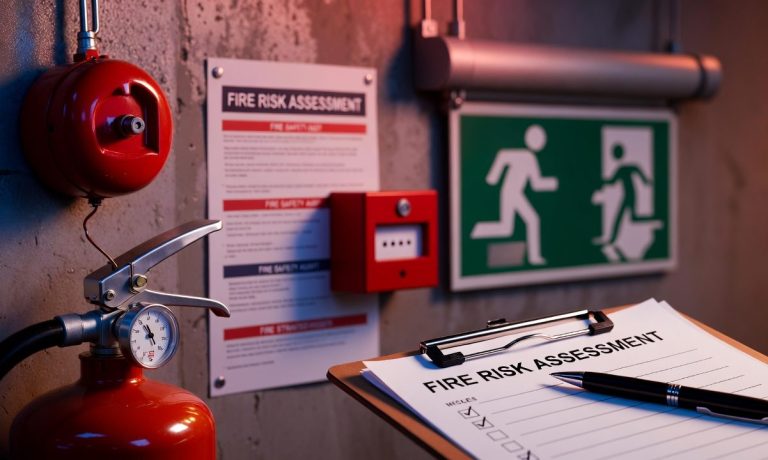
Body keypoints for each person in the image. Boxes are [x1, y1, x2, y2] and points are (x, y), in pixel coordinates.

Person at [470, 125, 558, 265]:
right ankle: (534, 257)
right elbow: (503, 155)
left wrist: (551, 183)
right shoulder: (525, 156)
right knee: (532, 220)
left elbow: (536, 184)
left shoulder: (530, 158)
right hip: (512, 193)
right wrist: (493, 176)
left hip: (514, 193)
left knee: (506, 228)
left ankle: (477, 229)